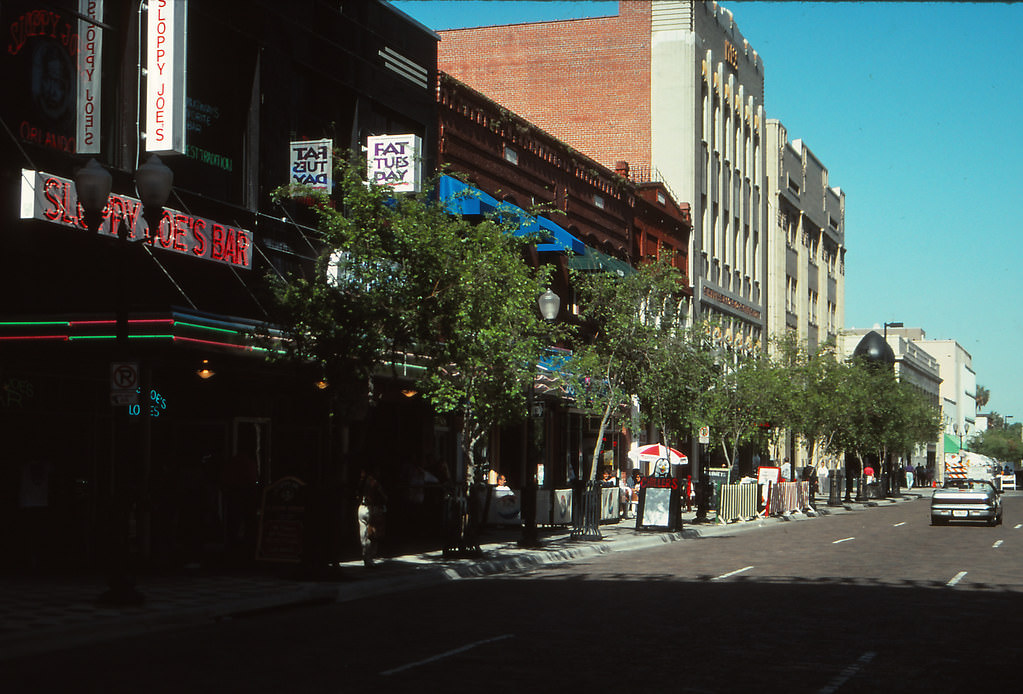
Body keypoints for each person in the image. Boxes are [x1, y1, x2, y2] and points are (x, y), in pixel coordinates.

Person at [357, 469, 387, 567]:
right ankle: (369, 558)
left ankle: (366, 557)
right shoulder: (374, 483)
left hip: (362, 507)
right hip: (371, 508)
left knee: (364, 535)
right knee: (372, 534)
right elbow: (383, 497)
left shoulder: (361, 483)